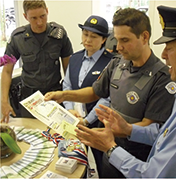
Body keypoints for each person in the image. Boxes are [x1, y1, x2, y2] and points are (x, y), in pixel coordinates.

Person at [73, 5, 176, 178]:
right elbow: (167, 134)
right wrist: (129, 129)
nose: (163, 55)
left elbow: (153, 176)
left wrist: (110, 148)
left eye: (170, 47)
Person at [44, 8, 176, 178]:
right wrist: (64, 95)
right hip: (108, 152)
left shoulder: (162, 78)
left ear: (144, 37)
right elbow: (95, 92)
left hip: (135, 161)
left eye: (125, 40)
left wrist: (118, 130)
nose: (118, 47)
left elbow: (151, 127)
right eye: (117, 39)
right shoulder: (118, 63)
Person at [1, 0, 73, 122]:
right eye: (33, 18)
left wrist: (71, 100)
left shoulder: (59, 34)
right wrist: (3, 102)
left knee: (56, 137)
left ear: (47, 11)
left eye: (42, 16)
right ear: (25, 17)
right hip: (30, 99)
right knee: (31, 135)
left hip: (54, 96)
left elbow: (69, 70)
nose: (39, 22)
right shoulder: (17, 38)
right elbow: (7, 71)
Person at [62, 15, 113, 177]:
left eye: (94, 36)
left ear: (104, 39)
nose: (88, 39)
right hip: (73, 120)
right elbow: (68, 86)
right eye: (85, 34)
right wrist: (70, 110)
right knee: (74, 160)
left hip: (97, 123)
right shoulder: (75, 58)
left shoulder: (112, 62)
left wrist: (87, 120)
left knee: (102, 164)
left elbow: (107, 97)